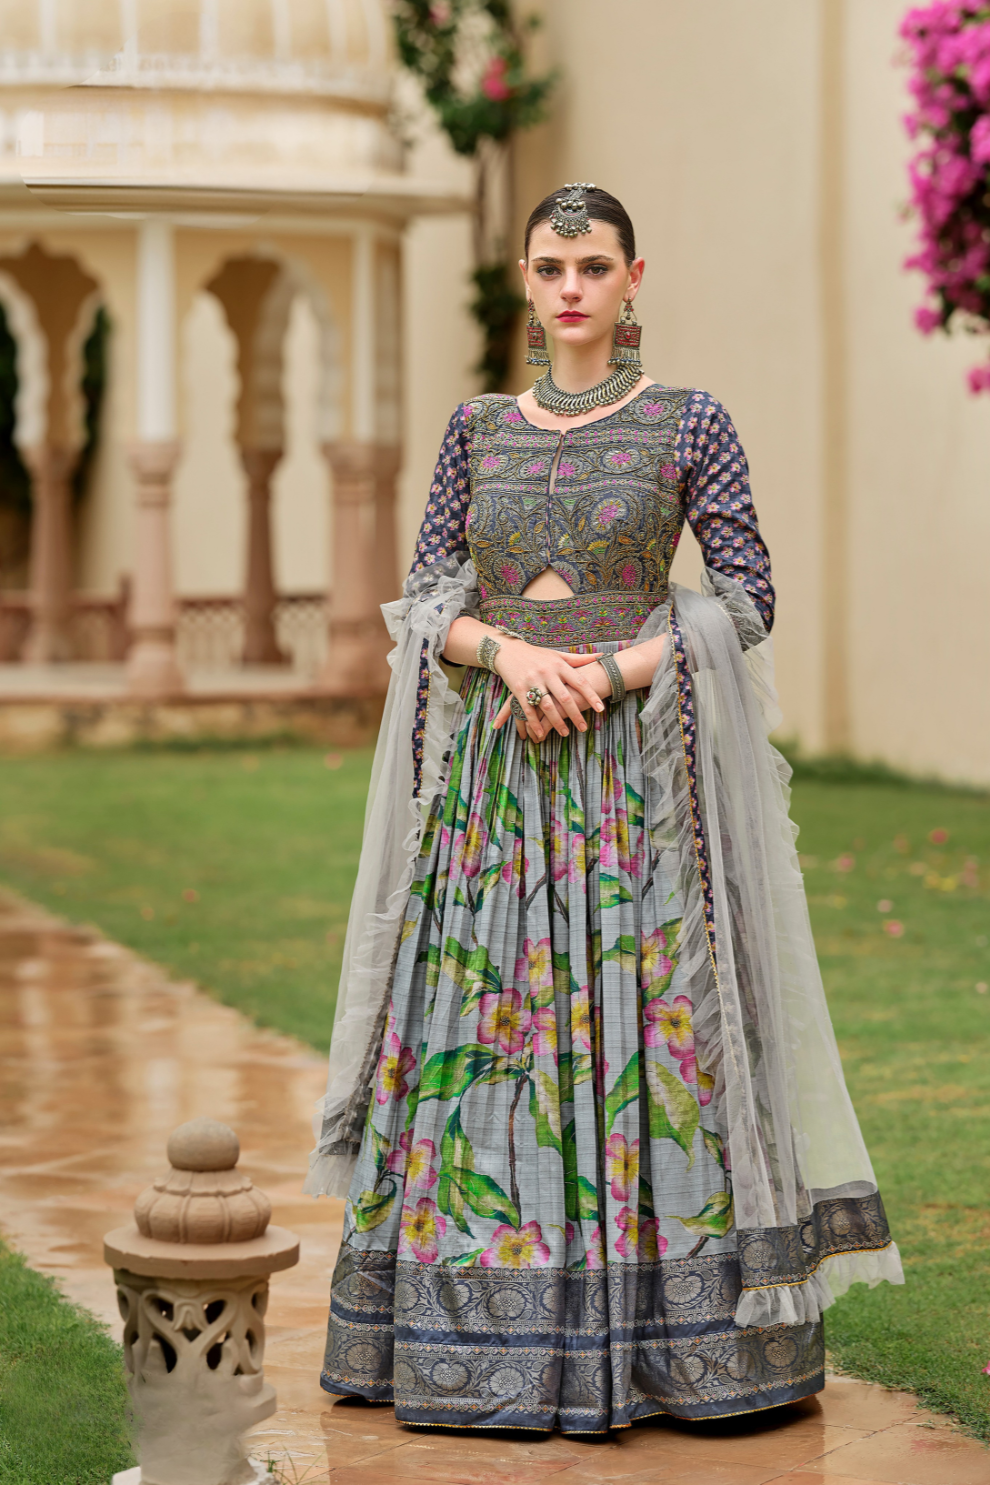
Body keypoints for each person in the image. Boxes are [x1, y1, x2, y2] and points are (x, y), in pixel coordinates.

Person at [304, 183, 903, 1434]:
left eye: (592, 265)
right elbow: (428, 597)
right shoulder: (476, 429)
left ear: (635, 279)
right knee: (493, 1033)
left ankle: (677, 1349)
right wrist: (511, 656)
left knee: (650, 1037)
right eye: (549, 266)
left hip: (641, 797)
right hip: (499, 796)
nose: (570, 286)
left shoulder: (691, 423)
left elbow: (745, 598)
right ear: (526, 284)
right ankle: (469, 1342)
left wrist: (615, 670)